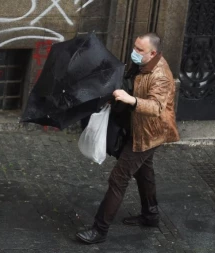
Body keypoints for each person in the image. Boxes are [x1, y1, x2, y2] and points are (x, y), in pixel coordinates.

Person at [76, 32, 180, 244]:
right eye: (134, 47)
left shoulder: (160, 75)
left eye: (139, 50)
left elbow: (157, 107)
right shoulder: (142, 64)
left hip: (149, 134)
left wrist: (130, 99)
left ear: (153, 53)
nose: (134, 52)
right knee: (144, 172)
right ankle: (150, 215)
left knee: (118, 178)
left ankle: (99, 229)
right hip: (136, 127)